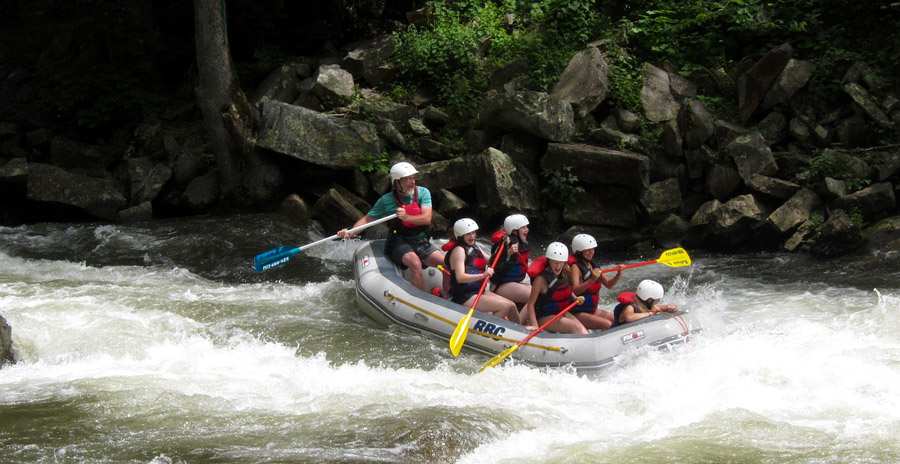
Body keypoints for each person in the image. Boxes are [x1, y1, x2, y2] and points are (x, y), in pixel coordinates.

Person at [338, 161, 444, 292]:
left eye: (413, 178)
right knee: (415, 263)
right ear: (397, 182)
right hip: (399, 242)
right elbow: (367, 219)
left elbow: (427, 218)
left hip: (420, 240)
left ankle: (450, 297)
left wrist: (407, 217)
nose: (412, 182)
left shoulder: (423, 193)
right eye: (408, 179)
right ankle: (424, 302)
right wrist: (350, 233)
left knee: (446, 263)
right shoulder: (386, 200)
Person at [445, 218, 520, 323]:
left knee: (512, 306)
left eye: (473, 233)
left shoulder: (475, 247)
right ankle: (486, 332)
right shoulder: (459, 251)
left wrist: (507, 253)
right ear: (461, 235)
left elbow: (491, 261)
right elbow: (460, 277)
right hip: (464, 296)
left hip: (478, 291)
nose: (472, 236)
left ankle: (520, 333)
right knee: (504, 307)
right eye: (468, 234)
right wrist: (483, 275)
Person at [522, 242, 588, 334]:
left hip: (561, 312)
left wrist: (575, 298)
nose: (558, 266)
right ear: (549, 261)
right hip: (545, 317)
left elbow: (566, 289)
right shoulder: (541, 279)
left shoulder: (565, 272)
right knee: (575, 327)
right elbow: (530, 304)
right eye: (555, 262)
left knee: (585, 334)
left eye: (560, 263)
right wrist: (535, 324)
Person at [569, 234, 623, 331]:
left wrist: (618, 274)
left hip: (591, 310)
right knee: (607, 324)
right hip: (577, 312)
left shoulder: (593, 265)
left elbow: (609, 284)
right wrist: (592, 280)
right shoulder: (575, 267)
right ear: (579, 251)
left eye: (592, 249)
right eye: (588, 250)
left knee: (617, 320)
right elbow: (575, 290)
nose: (591, 253)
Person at [489, 214, 532, 307]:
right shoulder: (504, 243)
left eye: (527, 227)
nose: (527, 230)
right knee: (534, 296)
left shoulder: (523, 243)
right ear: (514, 230)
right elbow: (492, 264)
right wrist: (508, 253)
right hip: (500, 285)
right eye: (523, 227)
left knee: (539, 293)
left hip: (514, 283)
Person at [613, 279, 679, 326]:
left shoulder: (647, 305)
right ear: (649, 298)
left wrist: (670, 307)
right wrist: (649, 313)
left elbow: (660, 308)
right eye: (656, 299)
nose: (658, 301)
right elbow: (629, 317)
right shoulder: (630, 307)